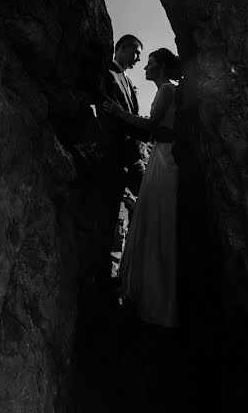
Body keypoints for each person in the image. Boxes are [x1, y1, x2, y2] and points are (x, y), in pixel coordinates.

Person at [103, 48, 181, 327]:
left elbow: (150, 127)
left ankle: (156, 300)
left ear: (160, 67)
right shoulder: (168, 90)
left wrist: (117, 112)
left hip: (164, 158)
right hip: (161, 154)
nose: (144, 67)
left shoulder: (165, 91)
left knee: (157, 223)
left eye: (149, 63)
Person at [96, 34, 148, 287]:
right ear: (121, 48)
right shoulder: (107, 73)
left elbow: (130, 114)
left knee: (148, 202)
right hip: (115, 154)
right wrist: (150, 131)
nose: (139, 57)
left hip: (132, 154)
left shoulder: (128, 79)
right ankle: (104, 276)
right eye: (136, 51)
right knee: (107, 216)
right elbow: (111, 117)